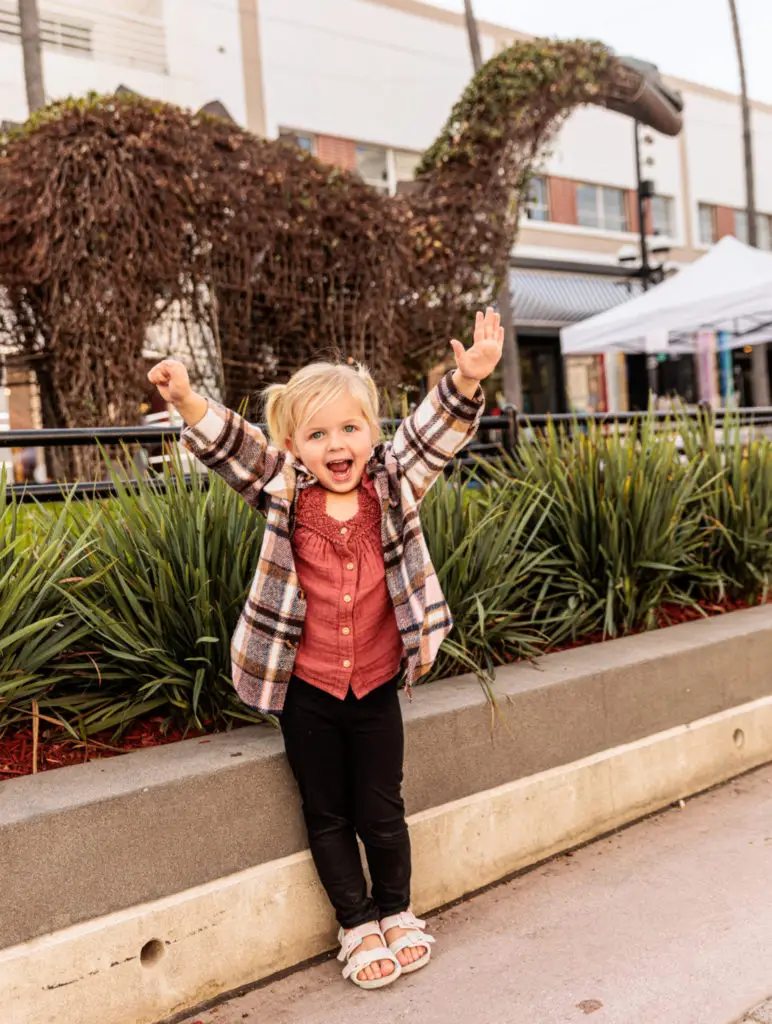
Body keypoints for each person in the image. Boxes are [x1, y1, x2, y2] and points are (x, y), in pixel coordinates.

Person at [147, 308, 503, 991]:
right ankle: (356, 922)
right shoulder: (283, 491)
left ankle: (397, 912)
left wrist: (465, 379)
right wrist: (188, 399)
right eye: (317, 434)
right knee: (328, 813)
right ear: (294, 445)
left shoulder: (394, 485)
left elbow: (434, 437)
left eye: (350, 428)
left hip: (373, 686)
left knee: (381, 808)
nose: (336, 444)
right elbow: (235, 449)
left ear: (372, 434)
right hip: (305, 690)